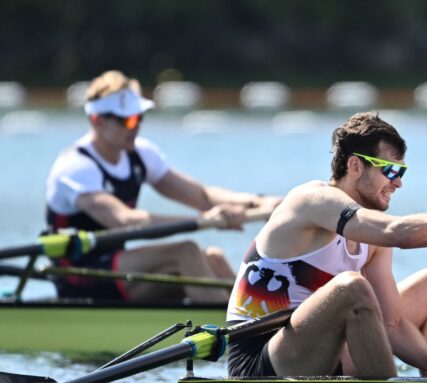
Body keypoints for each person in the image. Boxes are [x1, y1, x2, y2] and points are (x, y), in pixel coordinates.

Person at [226, 111, 427, 383]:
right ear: (355, 165)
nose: (398, 183)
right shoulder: (310, 200)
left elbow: (393, 325)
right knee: (351, 287)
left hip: (323, 353)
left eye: (402, 172)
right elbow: (397, 232)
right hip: (263, 360)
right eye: (389, 171)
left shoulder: (371, 239)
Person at [45, 70, 281, 303]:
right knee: (185, 252)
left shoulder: (139, 154)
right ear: (97, 120)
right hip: (78, 275)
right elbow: (123, 220)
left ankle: (261, 321)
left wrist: (260, 202)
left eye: (139, 117)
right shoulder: (75, 166)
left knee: (213, 258)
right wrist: (206, 219)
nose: (134, 126)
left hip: (115, 272)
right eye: (126, 119)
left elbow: (202, 196)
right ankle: (237, 332)